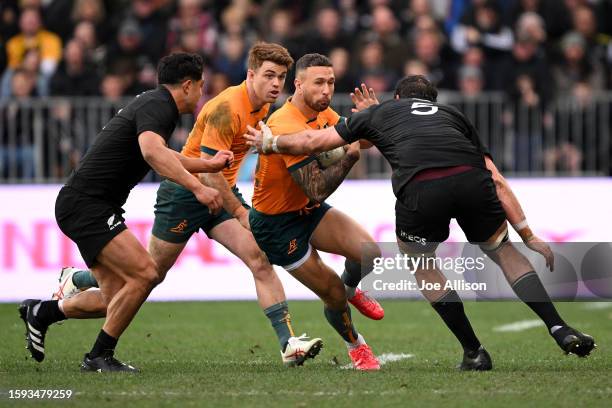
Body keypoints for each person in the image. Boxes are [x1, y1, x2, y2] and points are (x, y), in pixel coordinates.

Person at [245, 75, 596, 370]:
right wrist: (529, 234)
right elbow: (497, 179)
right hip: (473, 181)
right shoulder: (453, 114)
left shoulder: (383, 111)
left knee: (423, 264)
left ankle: (474, 351)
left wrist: (271, 142)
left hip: (423, 187)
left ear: (396, 98)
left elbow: (312, 141)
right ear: (434, 100)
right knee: (505, 252)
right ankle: (558, 327)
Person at [48, 43, 323, 367]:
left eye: (281, 77)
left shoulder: (262, 106)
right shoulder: (226, 108)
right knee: (146, 274)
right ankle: (78, 282)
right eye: (269, 76)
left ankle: (288, 344)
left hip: (220, 192)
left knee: (259, 258)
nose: (277, 84)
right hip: (184, 194)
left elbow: (224, 171)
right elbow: (207, 167)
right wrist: (237, 210)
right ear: (251, 75)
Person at [19, 53, 233, 372]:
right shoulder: (159, 106)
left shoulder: (154, 103)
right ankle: (98, 356)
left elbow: (159, 152)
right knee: (146, 274)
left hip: (85, 204)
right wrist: (198, 187)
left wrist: (207, 165)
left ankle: (43, 313)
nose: (202, 92)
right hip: (87, 205)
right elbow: (151, 153)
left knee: (116, 296)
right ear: (187, 85)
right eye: (201, 86)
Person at [248, 53, 383, 370]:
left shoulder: (322, 113)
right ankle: (356, 345)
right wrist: (348, 159)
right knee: (332, 294)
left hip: (307, 210)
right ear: (298, 84)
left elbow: (359, 142)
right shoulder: (284, 123)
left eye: (331, 82)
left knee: (369, 252)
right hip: (277, 226)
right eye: (319, 83)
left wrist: (370, 120)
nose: (326, 90)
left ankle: (353, 289)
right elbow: (317, 188)